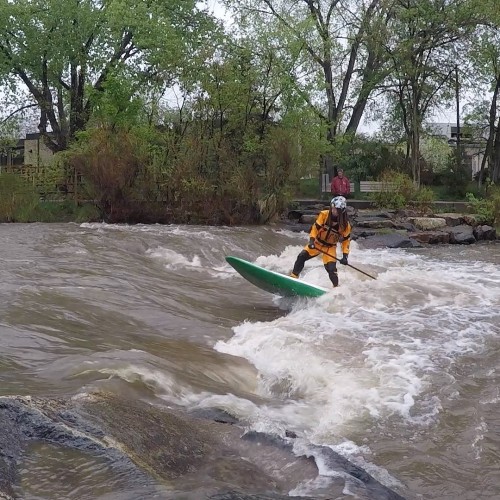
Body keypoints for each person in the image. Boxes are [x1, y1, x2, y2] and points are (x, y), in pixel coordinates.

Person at [290, 196, 351, 288]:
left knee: (331, 270)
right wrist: (311, 241)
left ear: (341, 211)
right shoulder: (324, 215)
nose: (333, 210)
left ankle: (336, 288)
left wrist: (345, 256)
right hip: (317, 243)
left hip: (330, 247)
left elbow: (346, 241)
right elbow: (315, 228)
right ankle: (293, 277)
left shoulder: (345, 225)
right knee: (301, 256)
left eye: (336, 209)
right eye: (333, 208)